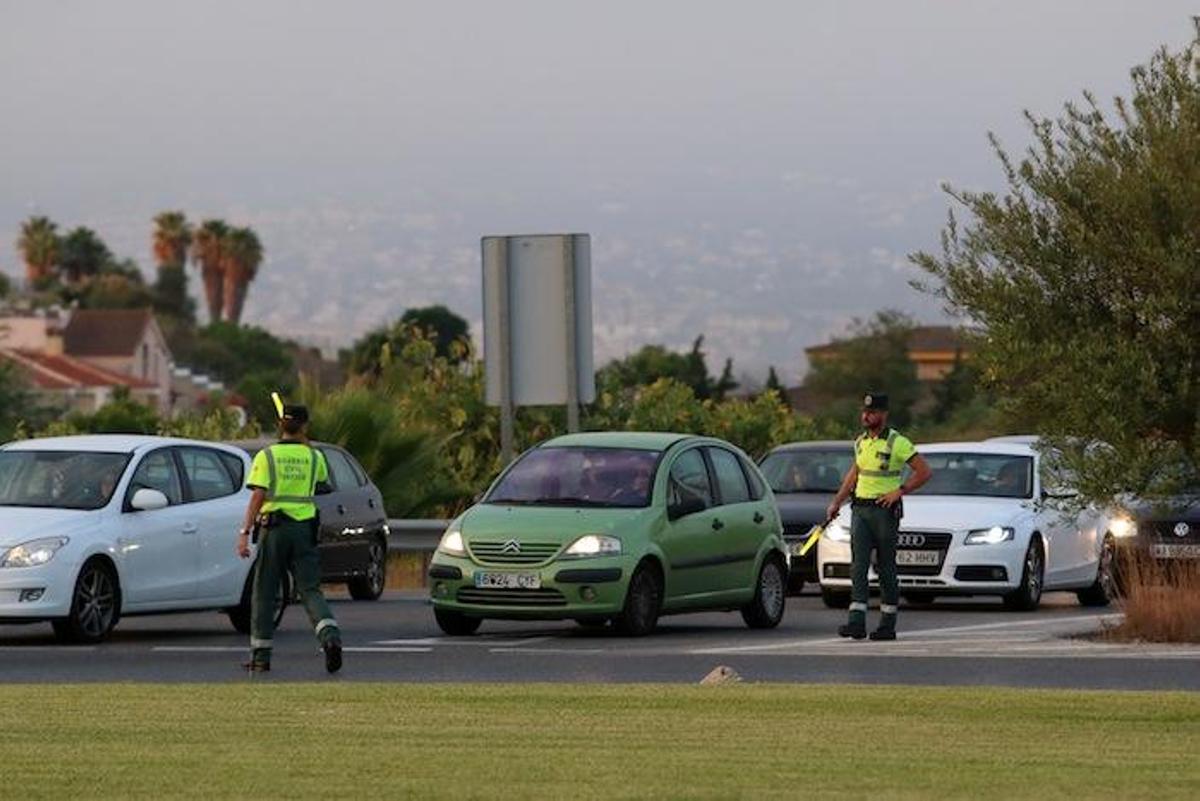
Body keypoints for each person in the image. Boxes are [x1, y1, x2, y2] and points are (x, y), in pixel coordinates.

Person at [236, 404, 342, 674]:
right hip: (304, 529)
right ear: (305, 426)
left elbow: (258, 495)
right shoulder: (314, 457)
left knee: (265, 591)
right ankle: (330, 637)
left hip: (275, 530)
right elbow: (321, 483)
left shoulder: (266, 456)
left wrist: (244, 532)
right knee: (310, 589)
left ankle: (261, 657)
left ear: (280, 426)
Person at [825, 392, 933, 641]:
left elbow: (924, 471)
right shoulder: (861, 442)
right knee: (858, 567)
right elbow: (854, 474)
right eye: (864, 412)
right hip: (860, 510)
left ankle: (887, 624)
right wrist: (836, 502)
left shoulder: (898, 442)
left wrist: (901, 490)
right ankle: (856, 622)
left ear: (883, 414)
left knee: (886, 568)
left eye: (872, 412)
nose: (866, 416)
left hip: (884, 512)